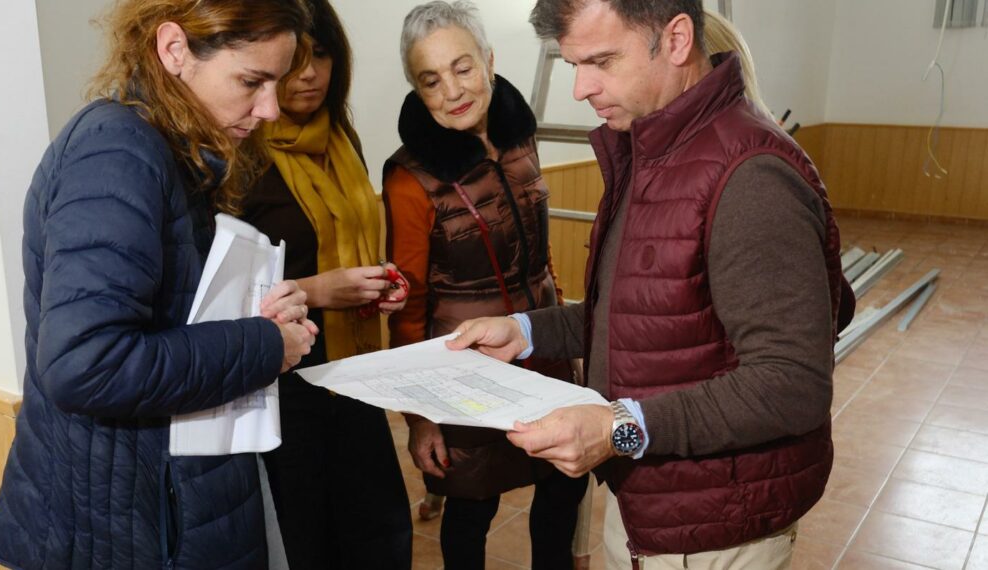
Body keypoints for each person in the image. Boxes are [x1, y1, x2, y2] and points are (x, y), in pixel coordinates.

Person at [447, 0, 846, 568]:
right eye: (573, 66)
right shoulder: (650, 147)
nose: (581, 89)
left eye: (603, 60)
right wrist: (524, 332)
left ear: (677, 40)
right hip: (653, 504)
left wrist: (620, 429)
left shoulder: (750, 176)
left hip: (718, 527)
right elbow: (640, 313)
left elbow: (791, 385)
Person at [0, 1, 319, 568]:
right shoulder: (115, 154)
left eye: (277, 83)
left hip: (154, 497)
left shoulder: (170, 146)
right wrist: (264, 344)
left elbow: (169, 313)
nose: (270, 109)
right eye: (251, 81)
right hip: (120, 521)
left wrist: (259, 309)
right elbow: (87, 363)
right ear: (174, 50)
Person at [382, 2, 588, 569]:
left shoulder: (521, 138)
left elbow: (539, 253)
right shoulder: (409, 176)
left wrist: (562, 323)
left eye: (462, 67)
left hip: (542, 345)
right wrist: (420, 415)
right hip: (465, 370)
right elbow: (408, 306)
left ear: (489, 62)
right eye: (431, 79)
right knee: (472, 507)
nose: (452, 90)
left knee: (564, 485)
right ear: (417, 91)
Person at [238, 0, 412, 567]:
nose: (310, 73)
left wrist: (381, 282)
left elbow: (361, 237)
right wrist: (317, 290)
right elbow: (221, 294)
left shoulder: (342, 139)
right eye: (295, 60)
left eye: (323, 55)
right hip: (283, 385)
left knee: (379, 535)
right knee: (307, 541)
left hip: (354, 374)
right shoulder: (241, 154)